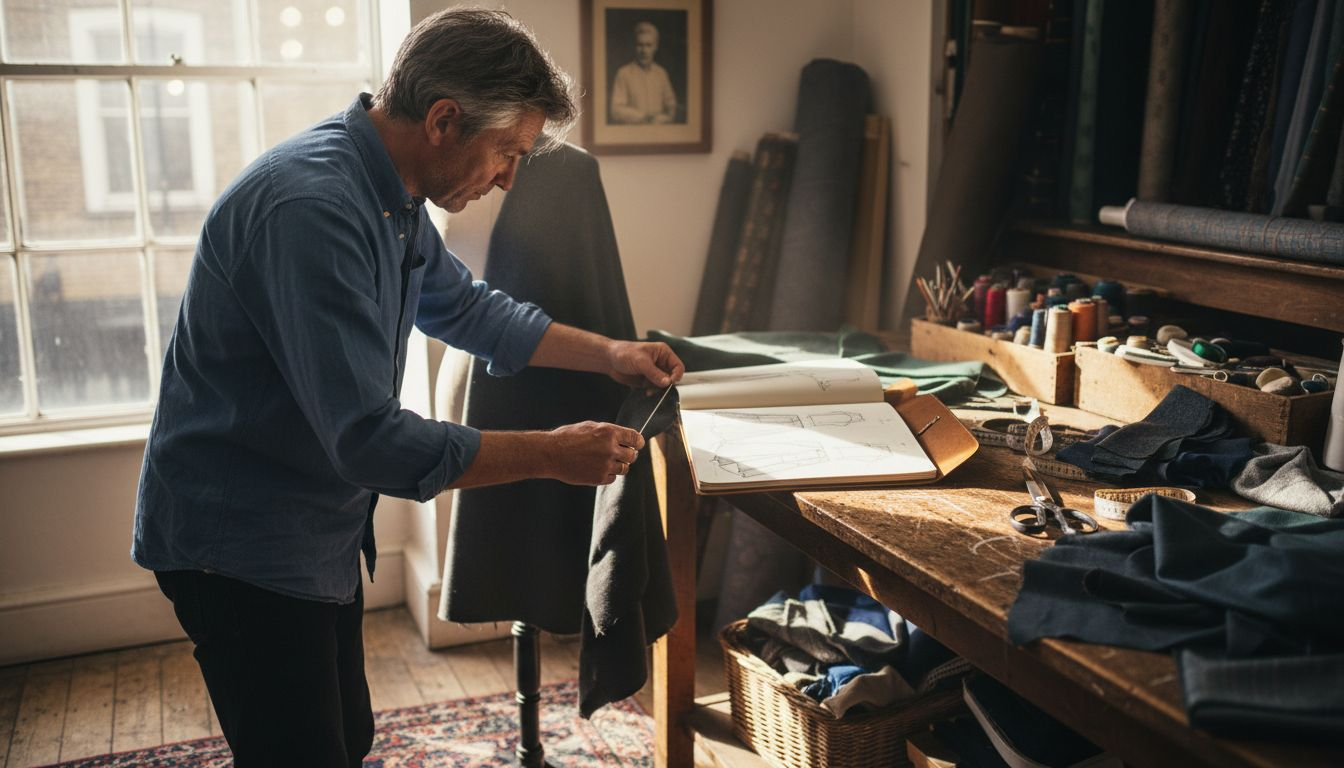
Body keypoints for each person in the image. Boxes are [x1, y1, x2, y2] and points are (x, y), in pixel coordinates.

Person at [130, 8, 683, 766]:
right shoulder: (314, 209)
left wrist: (612, 354)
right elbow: (371, 441)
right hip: (240, 544)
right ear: (444, 120)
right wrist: (554, 454)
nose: (510, 177)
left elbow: (464, 307)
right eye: (507, 152)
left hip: (311, 530)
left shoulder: (389, 191)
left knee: (346, 738)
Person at [609, 20, 678, 124]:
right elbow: (616, 110)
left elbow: (671, 106)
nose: (644, 50)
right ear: (634, 46)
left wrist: (664, 118)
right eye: (640, 45)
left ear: (655, 47)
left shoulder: (661, 73)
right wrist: (644, 117)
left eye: (648, 45)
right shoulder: (623, 73)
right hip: (632, 133)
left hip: (659, 131)